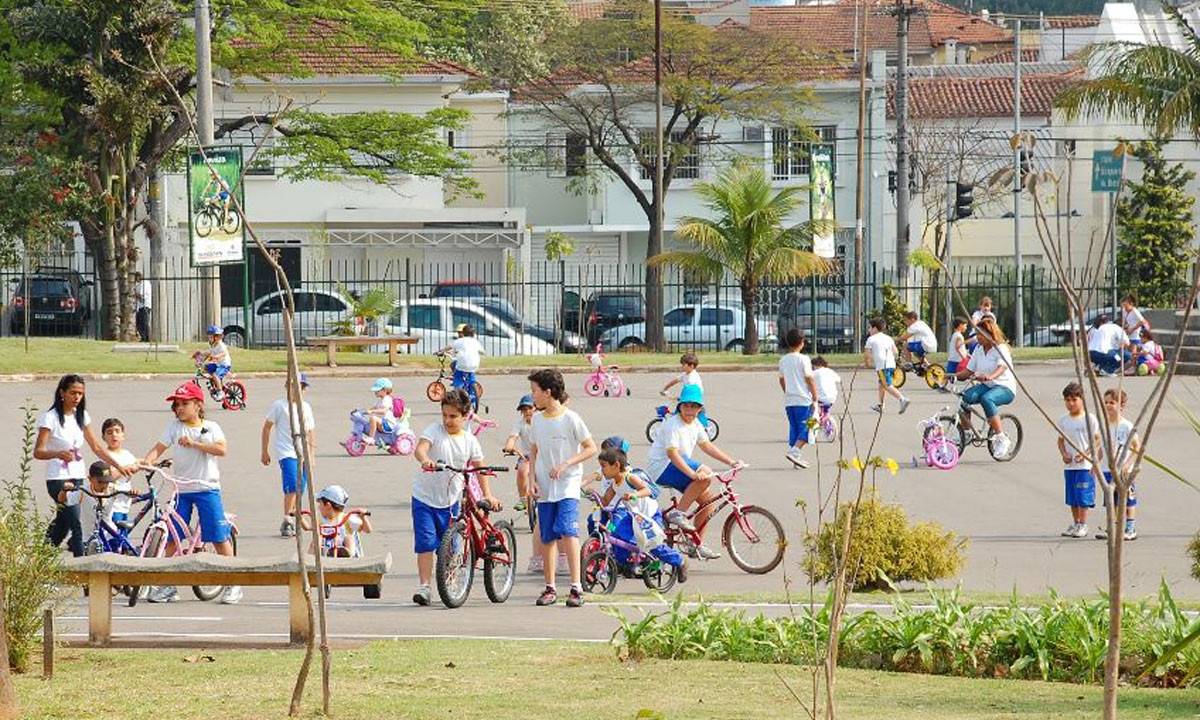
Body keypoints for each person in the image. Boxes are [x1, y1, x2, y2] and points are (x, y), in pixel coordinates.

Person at [142, 382, 240, 604]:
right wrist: (147, 462)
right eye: (177, 404)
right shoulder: (174, 427)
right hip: (181, 489)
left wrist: (195, 443)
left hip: (207, 488)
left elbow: (222, 449)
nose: (180, 408)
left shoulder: (211, 427)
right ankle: (168, 586)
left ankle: (233, 583)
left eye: (185, 404)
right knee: (172, 538)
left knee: (217, 536)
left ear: (198, 405)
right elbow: (158, 448)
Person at [411, 389, 500, 606]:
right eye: (445, 415)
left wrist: (488, 494)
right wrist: (425, 460)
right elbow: (420, 449)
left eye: (453, 416)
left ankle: (451, 581)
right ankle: (424, 587)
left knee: (450, 545)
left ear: (465, 416)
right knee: (425, 543)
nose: (448, 420)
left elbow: (480, 468)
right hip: (424, 498)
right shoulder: (434, 430)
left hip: (451, 501)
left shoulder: (470, 441)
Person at [33, 374, 133, 557]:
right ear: (62, 393)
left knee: (63, 524)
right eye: (73, 393)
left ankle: (39, 564)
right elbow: (38, 451)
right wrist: (57, 453)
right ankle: (85, 576)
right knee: (77, 523)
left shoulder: (82, 416)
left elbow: (96, 447)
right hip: (58, 479)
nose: (77, 397)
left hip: (78, 475)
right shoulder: (50, 418)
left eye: (80, 393)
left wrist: (119, 466)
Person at [527, 368, 597, 608]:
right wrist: (531, 479)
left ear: (548, 392)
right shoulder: (536, 419)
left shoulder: (571, 418)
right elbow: (533, 450)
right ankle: (550, 587)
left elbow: (590, 448)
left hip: (568, 484)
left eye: (535, 391)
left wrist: (566, 463)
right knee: (547, 536)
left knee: (568, 530)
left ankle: (576, 587)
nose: (532, 396)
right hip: (545, 486)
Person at [645, 384, 739, 561]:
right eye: (686, 406)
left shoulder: (696, 423)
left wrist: (731, 461)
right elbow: (672, 454)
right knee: (705, 474)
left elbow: (707, 445)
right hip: (661, 467)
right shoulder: (672, 424)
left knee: (708, 502)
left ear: (700, 409)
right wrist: (692, 474)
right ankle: (677, 513)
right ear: (679, 406)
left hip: (678, 464)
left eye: (694, 407)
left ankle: (695, 545)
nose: (690, 410)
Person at [595, 445, 686, 578]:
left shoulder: (630, 478)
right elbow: (605, 501)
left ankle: (680, 561)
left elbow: (647, 490)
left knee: (653, 545)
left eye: (604, 466)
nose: (602, 470)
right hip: (634, 515)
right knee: (616, 534)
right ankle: (625, 563)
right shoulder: (614, 484)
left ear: (616, 465)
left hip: (649, 516)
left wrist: (635, 495)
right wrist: (591, 495)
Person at [262, 374, 316, 538]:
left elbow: (311, 431)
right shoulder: (279, 406)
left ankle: (296, 516)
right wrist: (264, 451)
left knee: (301, 488)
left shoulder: (306, 407)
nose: (297, 390)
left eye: (301, 387)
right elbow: (267, 427)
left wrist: (312, 454)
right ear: (287, 387)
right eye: (293, 386)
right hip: (287, 451)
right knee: (292, 485)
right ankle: (287, 519)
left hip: (303, 451)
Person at [954, 317, 1016, 456]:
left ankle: (1001, 438)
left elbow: (1002, 367)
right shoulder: (978, 349)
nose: (978, 338)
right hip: (987, 385)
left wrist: (991, 376)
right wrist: (950, 376)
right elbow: (968, 371)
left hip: (1004, 387)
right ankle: (967, 432)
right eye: (977, 334)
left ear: (990, 334)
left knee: (987, 399)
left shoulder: (1000, 348)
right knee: (963, 399)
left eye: (981, 334)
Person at [503, 394, 544, 573]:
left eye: (530, 409)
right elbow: (512, 438)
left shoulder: (541, 422)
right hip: (526, 456)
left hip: (542, 457)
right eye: (524, 410)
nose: (527, 412)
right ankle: (522, 498)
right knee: (522, 471)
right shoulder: (519, 424)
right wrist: (509, 446)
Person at [1056, 382, 1101, 539]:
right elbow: (1060, 441)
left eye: (1074, 399)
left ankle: (1083, 523)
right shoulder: (1063, 420)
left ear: (1082, 399)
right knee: (1073, 496)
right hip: (1070, 465)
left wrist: (1085, 453)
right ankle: (1076, 523)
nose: (1071, 403)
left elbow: (1097, 440)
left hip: (1085, 465)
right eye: (1068, 400)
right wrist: (1064, 454)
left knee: (1083, 495)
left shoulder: (1090, 419)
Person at [1097, 388, 1140, 541]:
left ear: (1121, 405)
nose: (1108, 405)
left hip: (1123, 471)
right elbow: (1102, 447)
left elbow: (1137, 448)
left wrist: (1128, 465)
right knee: (1111, 500)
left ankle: (1130, 528)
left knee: (1128, 499)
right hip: (1107, 469)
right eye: (1106, 402)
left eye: (1112, 403)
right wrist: (1096, 463)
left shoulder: (1127, 426)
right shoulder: (1104, 426)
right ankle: (1113, 527)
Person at [778, 329, 819, 469]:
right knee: (810, 425)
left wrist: (787, 391)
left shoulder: (783, 360)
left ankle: (796, 455)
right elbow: (809, 379)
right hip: (803, 400)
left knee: (795, 427)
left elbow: (782, 380)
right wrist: (815, 396)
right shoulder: (804, 359)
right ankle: (794, 451)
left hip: (790, 401)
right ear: (802, 343)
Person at [309, 485, 372, 557]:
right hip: (327, 551)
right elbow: (307, 527)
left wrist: (363, 517)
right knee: (316, 540)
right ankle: (310, 558)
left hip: (346, 550)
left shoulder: (347, 518)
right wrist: (300, 517)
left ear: (328, 505)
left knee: (349, 538)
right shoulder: (322, 521)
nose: (319, 507)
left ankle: (347, 554)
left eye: (320, 504)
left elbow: (368, 530)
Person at [98, 418, 138, 527]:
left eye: (117, 431)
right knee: (115, 537)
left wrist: (158, 463)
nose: (114, 435)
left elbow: (140, 462)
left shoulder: (126, 454)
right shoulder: (105, 456)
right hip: (112, 504)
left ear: (123, 435)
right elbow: (109, 477)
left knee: (122, 534)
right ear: (103, 437)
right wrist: (126, 468)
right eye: (109, 432)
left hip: (125, 504)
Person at [864, 318, 909, 414]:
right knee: (881, 384)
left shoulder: (871, 339)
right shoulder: (888, 338)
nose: (869, 330)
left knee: (886, 385)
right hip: (891, 364)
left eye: (870, 328)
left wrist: (868, 363)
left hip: (882, 365)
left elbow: (867, 354)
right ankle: (881, 405)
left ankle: (902, 399)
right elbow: (895, 351)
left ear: (875, 328)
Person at [441, 324, 484, 410]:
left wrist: (440, 351)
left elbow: (449, 347)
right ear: (473, 334)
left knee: (458, 378)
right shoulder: (475, 342)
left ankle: (459, 393)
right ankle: (472, 390)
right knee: (471, 377)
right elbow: (482, 352)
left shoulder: (459, 341)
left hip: (461, 365)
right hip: (474, 365)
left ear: (463, 333)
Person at [200, 325, 232, 400]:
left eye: (211, 337)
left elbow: (224, 353)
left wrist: (217, 356)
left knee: (215, 374)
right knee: (206, 368)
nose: (209, 339)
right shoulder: (212, 345)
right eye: (209, 337)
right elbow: (209, 353)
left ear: (217, 337)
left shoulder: (221, 345)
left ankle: (221, 392)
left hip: (224, 365)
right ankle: (215, 385)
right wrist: (201, 360)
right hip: (217, 364)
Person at [362, 377, 397, 445]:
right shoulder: (380, 400)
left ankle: (371, 438)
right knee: (369, 420)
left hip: (388, 424)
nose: (375, 392)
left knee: (373, 418)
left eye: (377, 391)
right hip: (383, 423)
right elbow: (373, 408)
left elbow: (384, 411)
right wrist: (364, 411)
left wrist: (372, 412)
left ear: (384, 390)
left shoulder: (387, 399)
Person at [946, 317, 970, 390]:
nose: (966, 328)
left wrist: (967, 354)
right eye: (965, 326)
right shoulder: (959, 336)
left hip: (953, 358)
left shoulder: (955, 334)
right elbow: (958, 347)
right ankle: (949, 386)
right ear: (960, 325)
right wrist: (963, 357)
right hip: (957, 359)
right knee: (959, 374)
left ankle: (944, 385)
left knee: (950, 374)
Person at [134, 272, 152, 342]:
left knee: (145, 322)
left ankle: (146, 338)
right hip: (140, 307)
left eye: (136, 278)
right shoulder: (139, 285)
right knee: (139, 323)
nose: (135, 280)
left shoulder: (145, 284)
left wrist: (134, 292)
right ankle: (143, 337)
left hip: (145, 306)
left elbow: (141, 297)